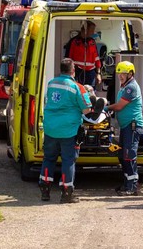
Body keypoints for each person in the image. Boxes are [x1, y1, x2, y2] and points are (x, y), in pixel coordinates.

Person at [38, 58, 92, 203]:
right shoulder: (77, 87)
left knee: (48, 158)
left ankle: (45, 190)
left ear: (60, 69)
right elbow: (87, 110)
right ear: (73, 70)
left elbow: (47, 100)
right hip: (69, 130)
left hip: (50, 127)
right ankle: (66, 194)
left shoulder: (51, 83)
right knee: (68, 161)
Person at [107, 61, 143, 196]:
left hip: (132, 126)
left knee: (129, 156)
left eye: (123, 73)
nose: (120, 76)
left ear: (130, 74)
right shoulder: (125, 87)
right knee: (122, 156)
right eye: (119, 73)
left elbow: (119, 106)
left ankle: (132, 186)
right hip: (126, 126)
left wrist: (106, 107)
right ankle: (127, 183)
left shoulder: (131, 88)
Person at [65, 20, 102, 86]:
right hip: (77, 73)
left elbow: (97, 59)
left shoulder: (92, 42)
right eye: (92, 30)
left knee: (90, 93)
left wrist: (98, 73)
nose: (93, 32)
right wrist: (69, 74)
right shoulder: (74, 42)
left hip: (91, 73)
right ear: (85, 29)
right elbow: (68, 59)